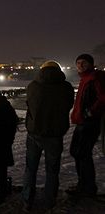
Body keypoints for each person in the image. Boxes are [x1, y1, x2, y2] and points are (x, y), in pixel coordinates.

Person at [22, 61, 74, 210]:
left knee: (30, 169)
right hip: (55, 134)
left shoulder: (33, 86)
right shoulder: (66, 87)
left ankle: (27, 200)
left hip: (34, 133)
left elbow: (29, 105)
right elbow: (68, 105)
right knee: (52, 170)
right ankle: (49, 200)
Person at [67, 54, 105, 197]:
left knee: (82, 153)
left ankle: (87, 187)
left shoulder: (95, 78)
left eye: (84, 63)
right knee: (77, 152)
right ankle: (84, 184)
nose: (80, 65)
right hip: (82, 121)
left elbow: (102, 98)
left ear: (90, 64)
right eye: (78, 63)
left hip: (89, 122)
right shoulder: (85, 78)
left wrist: (90, 112)